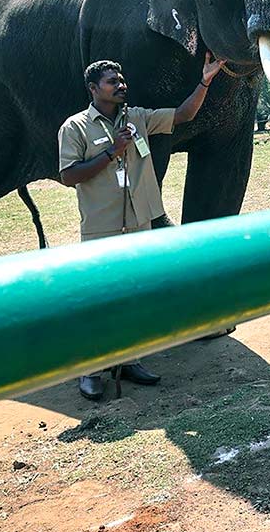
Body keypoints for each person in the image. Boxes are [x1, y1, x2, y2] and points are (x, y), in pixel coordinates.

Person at [58, 54, 224, 400]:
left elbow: (182, 115)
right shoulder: (75, 128)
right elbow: (68, 175)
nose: (121, 86)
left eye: (122, 80)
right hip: (101, 227)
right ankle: (90, 370)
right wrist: (111, 153)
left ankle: (129, 361)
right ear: (93, 89)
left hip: (139, 223)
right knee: (101, 299)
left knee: (134, 295)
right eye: (111, 82)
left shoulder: (137, 118)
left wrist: (205, 80)